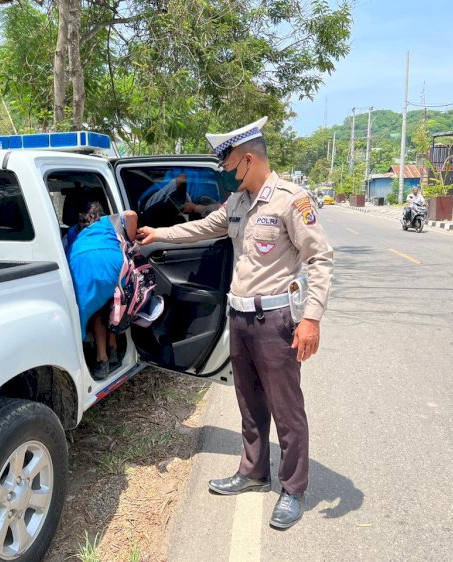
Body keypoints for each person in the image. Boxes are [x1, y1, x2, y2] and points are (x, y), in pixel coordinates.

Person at [137, 116, 333, 530]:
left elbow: (319, 258)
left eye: (227, 168)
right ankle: (253, 472)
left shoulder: (291, 200)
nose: (225, 176)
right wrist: (160, 234)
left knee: (287, 409)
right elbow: (204, 226)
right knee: (249, 403)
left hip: (277, 319)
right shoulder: (239, 202)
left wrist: (311, 319)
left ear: (247, 160)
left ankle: (293, 488)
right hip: (240, 316)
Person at [67, 202, 138, 379]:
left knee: (93, 309)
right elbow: (130, 214)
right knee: (112, 302)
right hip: (112, 262)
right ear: (99, 213)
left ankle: (102, 359)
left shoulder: (72, 231)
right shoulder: (108, 221)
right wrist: (131, 238)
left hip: (83, 263)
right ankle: (113, 348)